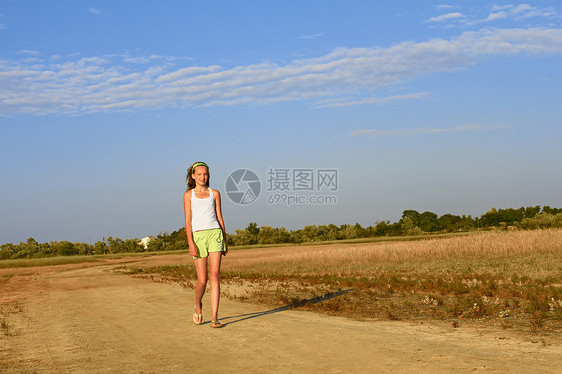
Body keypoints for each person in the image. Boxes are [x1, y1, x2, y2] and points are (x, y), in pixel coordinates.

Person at [184, 161, 228, 328]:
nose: (203, 177)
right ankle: (198, 305)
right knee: (202, 280)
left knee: (215, 276)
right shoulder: (188, 195)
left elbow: (220, 217)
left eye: (205, 174)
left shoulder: (215, 193)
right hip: (198, 237)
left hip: (215, 234)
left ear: (208, 176)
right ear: (193, 176)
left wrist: (225, 240)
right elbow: (188, 221)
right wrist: (190, 242)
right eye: (200, 174)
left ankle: (214, 318)